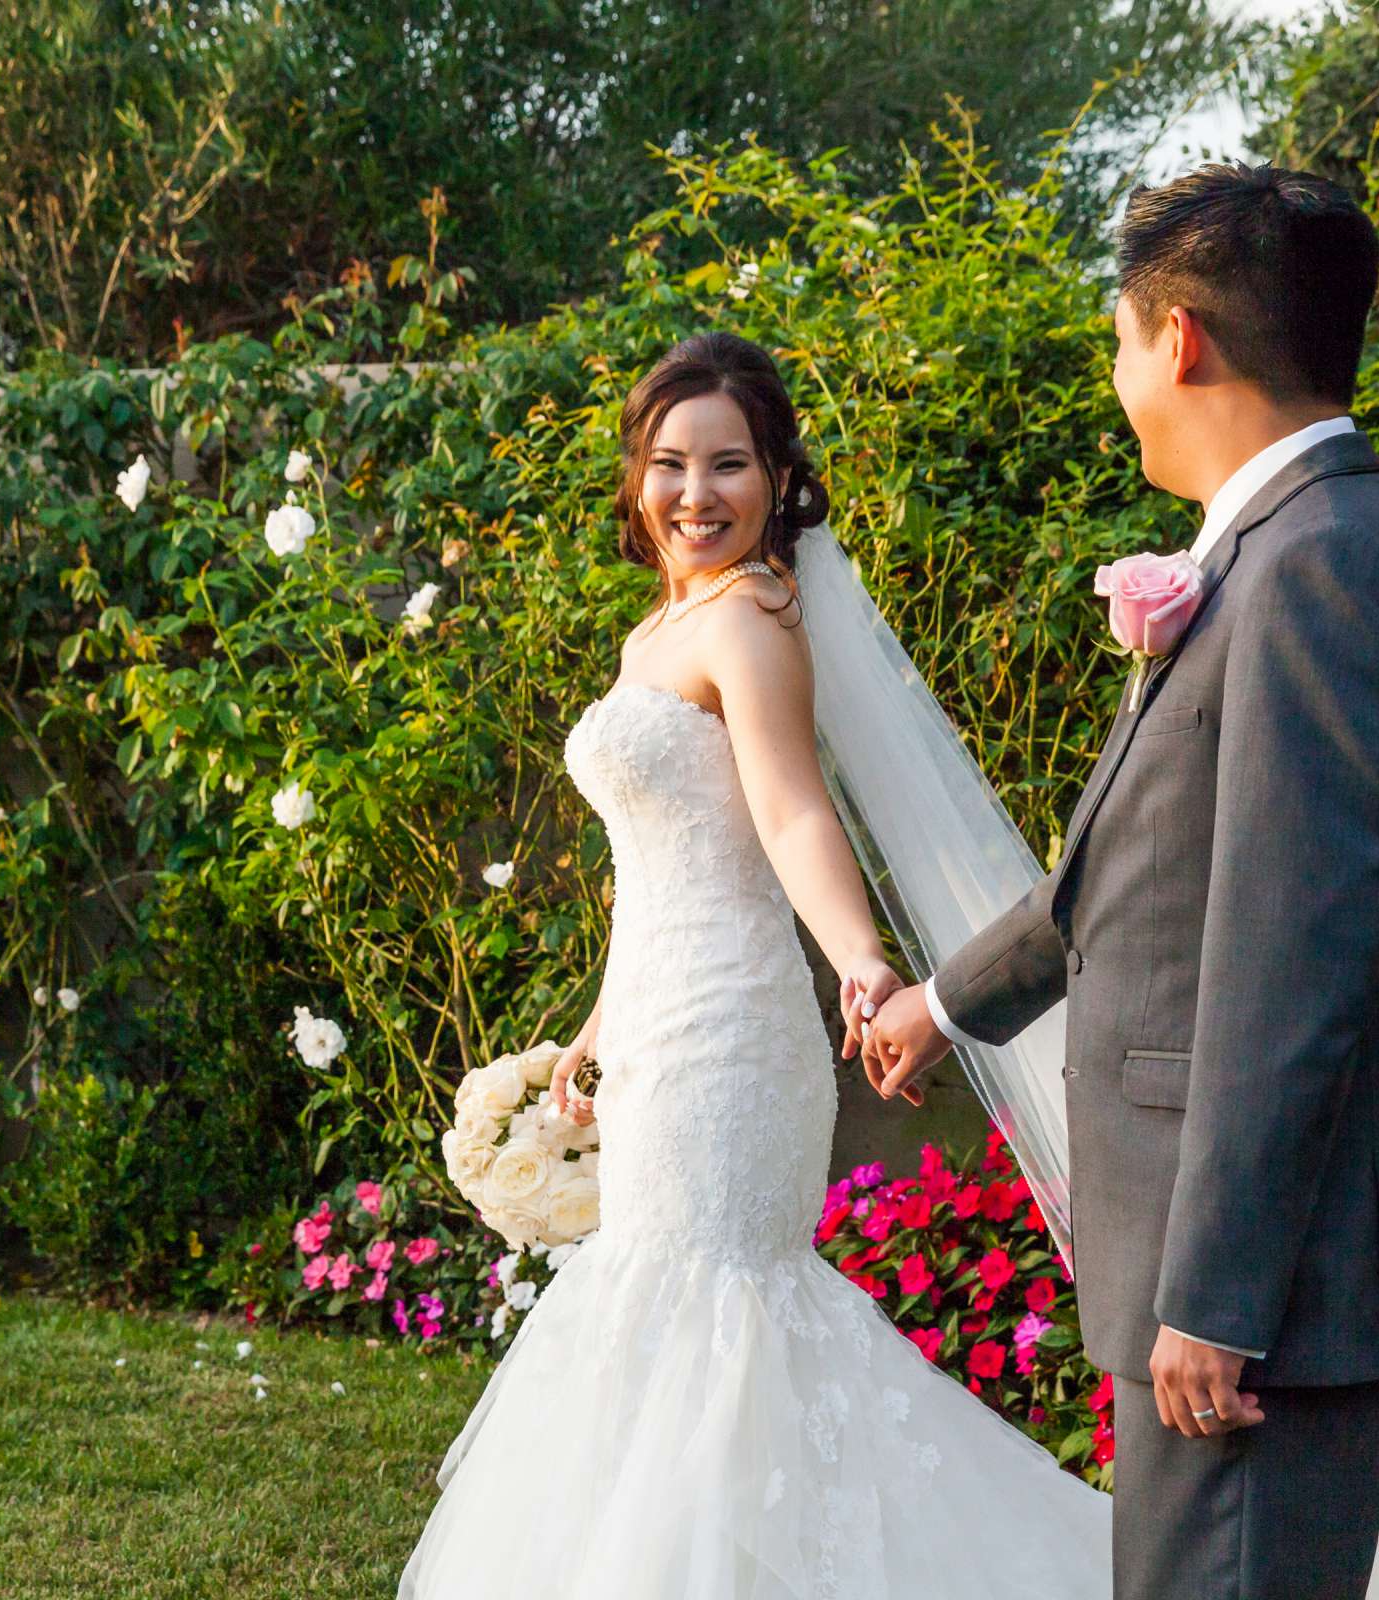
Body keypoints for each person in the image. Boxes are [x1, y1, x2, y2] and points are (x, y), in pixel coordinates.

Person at [396, 330, 1113, 1600]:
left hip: (734, 1045)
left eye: (729, 463)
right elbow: (665, 866)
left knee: (711, 1314)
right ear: (635, 479)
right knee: (667, 1324)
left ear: (778, 478)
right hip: (664, 1030)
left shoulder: (754, 618)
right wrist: (598, 1030)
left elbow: (789, 816)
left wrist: (862, 962)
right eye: (670, 463)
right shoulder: (664, 627)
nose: (696, 492)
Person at [859, 162, 1379, 1600]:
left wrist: (1218, 1296)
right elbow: (1130, 874)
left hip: (1257, 1302)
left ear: (1178, 338)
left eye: (1120, 338)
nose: (1121, 372)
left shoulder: (1322, 567)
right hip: (1235, 1284)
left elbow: (1293, 962)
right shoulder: (1278, 547)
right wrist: (949, 1003)